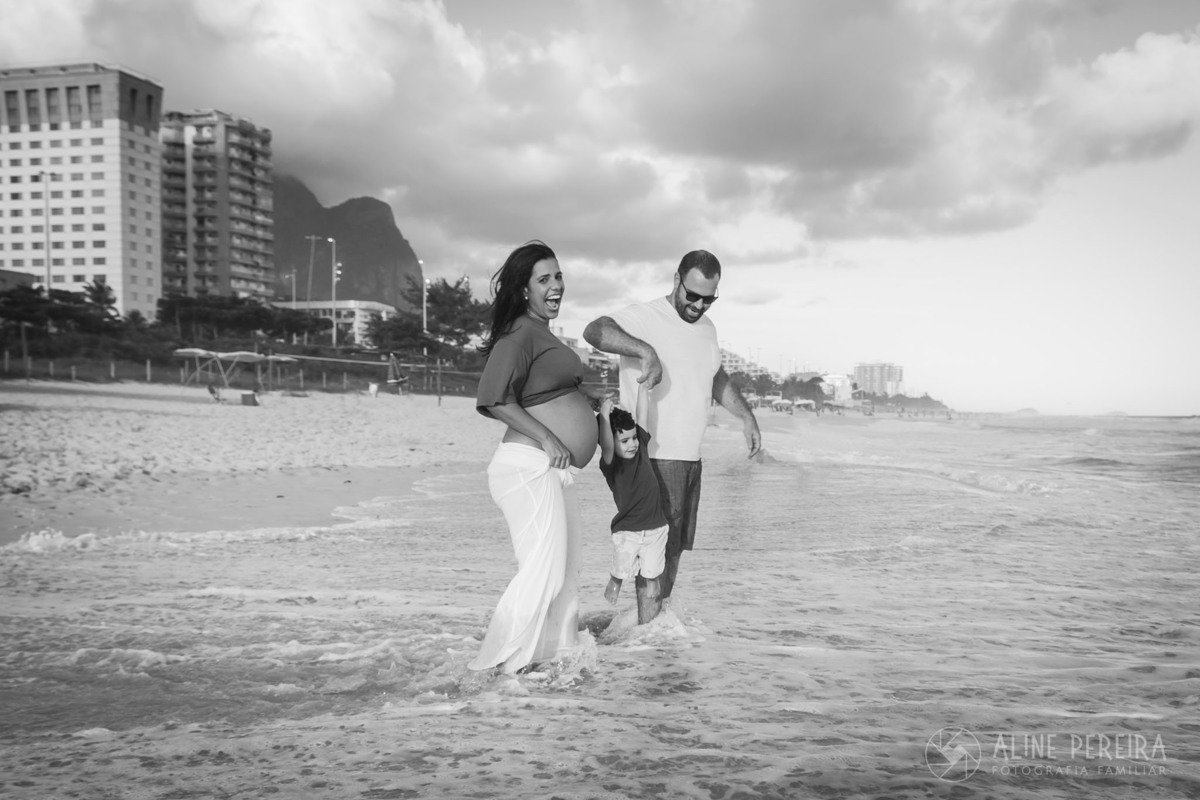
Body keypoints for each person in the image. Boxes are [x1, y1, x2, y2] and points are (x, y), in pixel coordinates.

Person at [583, 249, 761, 603]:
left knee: (673, 549)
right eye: (692, 295)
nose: (698, 306)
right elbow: (595, 330)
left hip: (689, 458)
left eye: (708, 299)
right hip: (653, 455)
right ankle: (645, 643)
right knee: (652, 554)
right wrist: (644, 350)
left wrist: (746, 416)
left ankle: (646, 633)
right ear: (676, 280)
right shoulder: (647, 317)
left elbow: (714, 377)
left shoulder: (707, 328)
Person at [470, 241, 599, 674]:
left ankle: (551, 663)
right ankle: (497, 666)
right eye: (544, 279)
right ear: (524, 290)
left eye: (558, 276)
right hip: (528, 468)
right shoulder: (520, 332)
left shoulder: (541, 333)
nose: (556, 286)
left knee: (563, 577)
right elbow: (492, 398)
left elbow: (548, 393)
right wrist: (548, 437)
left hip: (549, 472)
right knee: (541, 573)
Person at [597, 386, 669, 624]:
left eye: (634, 438)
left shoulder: (642, 449)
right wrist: (604, 416)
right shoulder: (611, 463)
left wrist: (641, 388)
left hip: (656, 525)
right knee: (622, 565)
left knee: (653, 569)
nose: (632, 444)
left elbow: (642, 414)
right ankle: (616, 581)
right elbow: (607, 444)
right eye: (625, 441)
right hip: (627, 528)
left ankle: (650, 579)